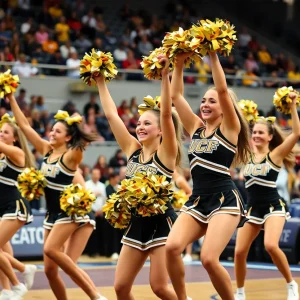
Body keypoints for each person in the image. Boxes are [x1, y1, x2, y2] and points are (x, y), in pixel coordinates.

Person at [165, 51, 251, 300]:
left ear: (224, 108)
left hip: (224, 198)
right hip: (198, 199)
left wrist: (212, 54)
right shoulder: (196, 128)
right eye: (203, 100)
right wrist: (178, 64)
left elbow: (224, 91)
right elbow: (176, 95)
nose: (205, 104)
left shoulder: (230, 128)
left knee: (208, 259)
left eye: (211, 101)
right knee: (171, 247)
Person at [95, 55, 182, 300]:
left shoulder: (166, 154)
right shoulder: (133, 151)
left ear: (161, 130)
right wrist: (101, 81)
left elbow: (166, 114)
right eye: (139, 123)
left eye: (147, 123)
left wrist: (165, 75)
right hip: (136, 225)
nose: (140, 127)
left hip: (162, 224)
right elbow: (112, 116)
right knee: (121, 288)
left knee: (160, 287)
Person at [6, 92, 106, 300]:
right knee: (51, 271)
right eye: (52, 130)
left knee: (52, 250)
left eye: (57, 131)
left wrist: (76, 124)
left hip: (69, 212)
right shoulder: (45, 150)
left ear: (68, 137)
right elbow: (24, 127)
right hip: (52, 215)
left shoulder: (70, 156)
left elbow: (80, 146)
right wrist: (11, 98)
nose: (51, 133)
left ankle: (96, 296)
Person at [234, 94, 300, 300]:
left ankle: (291, 284)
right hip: (252, 208)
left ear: (270, 137)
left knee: (271, 245)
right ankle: (240, 292)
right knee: (238, 252)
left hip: (273, 206)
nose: (256, 135)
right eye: (254, 132)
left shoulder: (276, 155)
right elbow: (234, 128)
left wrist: (292, 106)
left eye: (261, 133)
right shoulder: (247, 154)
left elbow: (296, 133)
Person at [0, 113, 37, 300]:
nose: (1, 134)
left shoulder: (17, 153)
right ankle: (6, 291)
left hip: (14, 207)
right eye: (0, 131)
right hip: (2, 210)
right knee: (2, 253)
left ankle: (17, 283)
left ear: (14, 137)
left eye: (5, 132)